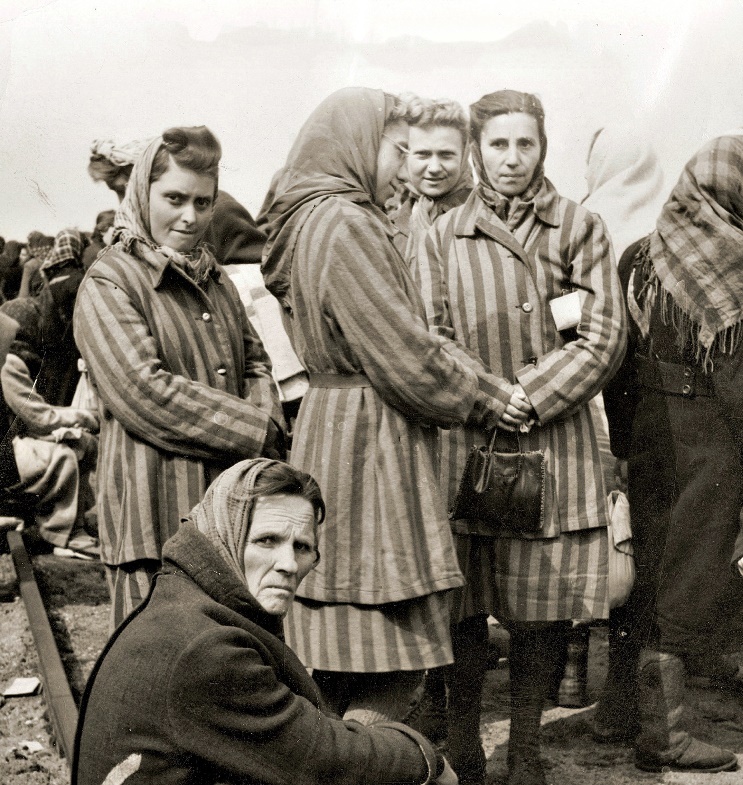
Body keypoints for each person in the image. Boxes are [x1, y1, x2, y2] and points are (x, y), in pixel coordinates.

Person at [259, 86, 501, 727]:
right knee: (384, 649)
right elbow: (406, 356)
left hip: (332, 427)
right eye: (396, 150)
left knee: (340, 644)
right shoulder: (346, 222)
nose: (401, 168)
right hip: (370, 442)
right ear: (360, 145)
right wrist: (483, 397)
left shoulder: (308, 218)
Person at [415, 89, 626, 785]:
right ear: (476, 149)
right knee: (465, 603)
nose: (511, 159)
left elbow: (601, 336)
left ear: (543, 147)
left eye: (524, 144)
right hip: (469, 442)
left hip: (552, 440)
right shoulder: (443, 233)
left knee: (541, 609)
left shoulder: (578, 228)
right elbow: (430, 335)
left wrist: (528, 396)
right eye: (497, 144)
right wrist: (485, 396)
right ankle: (466, 737)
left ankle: (528, 744)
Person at [72, 458, 458, 785]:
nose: (289, 565)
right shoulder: (206, 648)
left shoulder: (185, 602)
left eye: (302, 547)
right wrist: (426, 759)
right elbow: (320, 759)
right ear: (224, 535)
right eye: (267, 541)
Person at [74, 126, 285, 629]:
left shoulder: (213, 279)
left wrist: (264, 411)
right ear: (141, 193)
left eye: (203, 202)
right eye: (174, 198)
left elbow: (255, 362)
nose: (190, 217)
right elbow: (145, 393)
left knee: (230, 666)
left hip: (227, 511)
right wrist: (258, 431)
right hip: (155, 515)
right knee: (158, 667)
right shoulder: (109, 281)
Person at [597, 134, 743, 774]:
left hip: (650, 441)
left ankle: (616, 713)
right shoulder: (736, 266)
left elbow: (617, 369)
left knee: (651, 568)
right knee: (691, 575)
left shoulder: (638, 257)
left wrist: (625, 448)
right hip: (710, 446)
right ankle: (665, 736)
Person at [0, 260, 99, 557]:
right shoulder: (10, 364)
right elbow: (38, 418)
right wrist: (88, 417)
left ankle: (72, 524)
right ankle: (62, 534)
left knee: (81, 445)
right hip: (7, 454)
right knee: (64, 457)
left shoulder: (15, 359)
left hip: (9, 446)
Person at [388, 96, 472, 270]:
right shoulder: (389, 225)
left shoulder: (485, 217)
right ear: (405, 156)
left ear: (464, 156)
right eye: (423, 154)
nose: (434, 168)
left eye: (446, 155)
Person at [581, 124, 665, 262]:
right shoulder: (667, 221)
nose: (586, 174)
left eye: (591, 163)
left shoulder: (585, 223)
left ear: (607, 166)